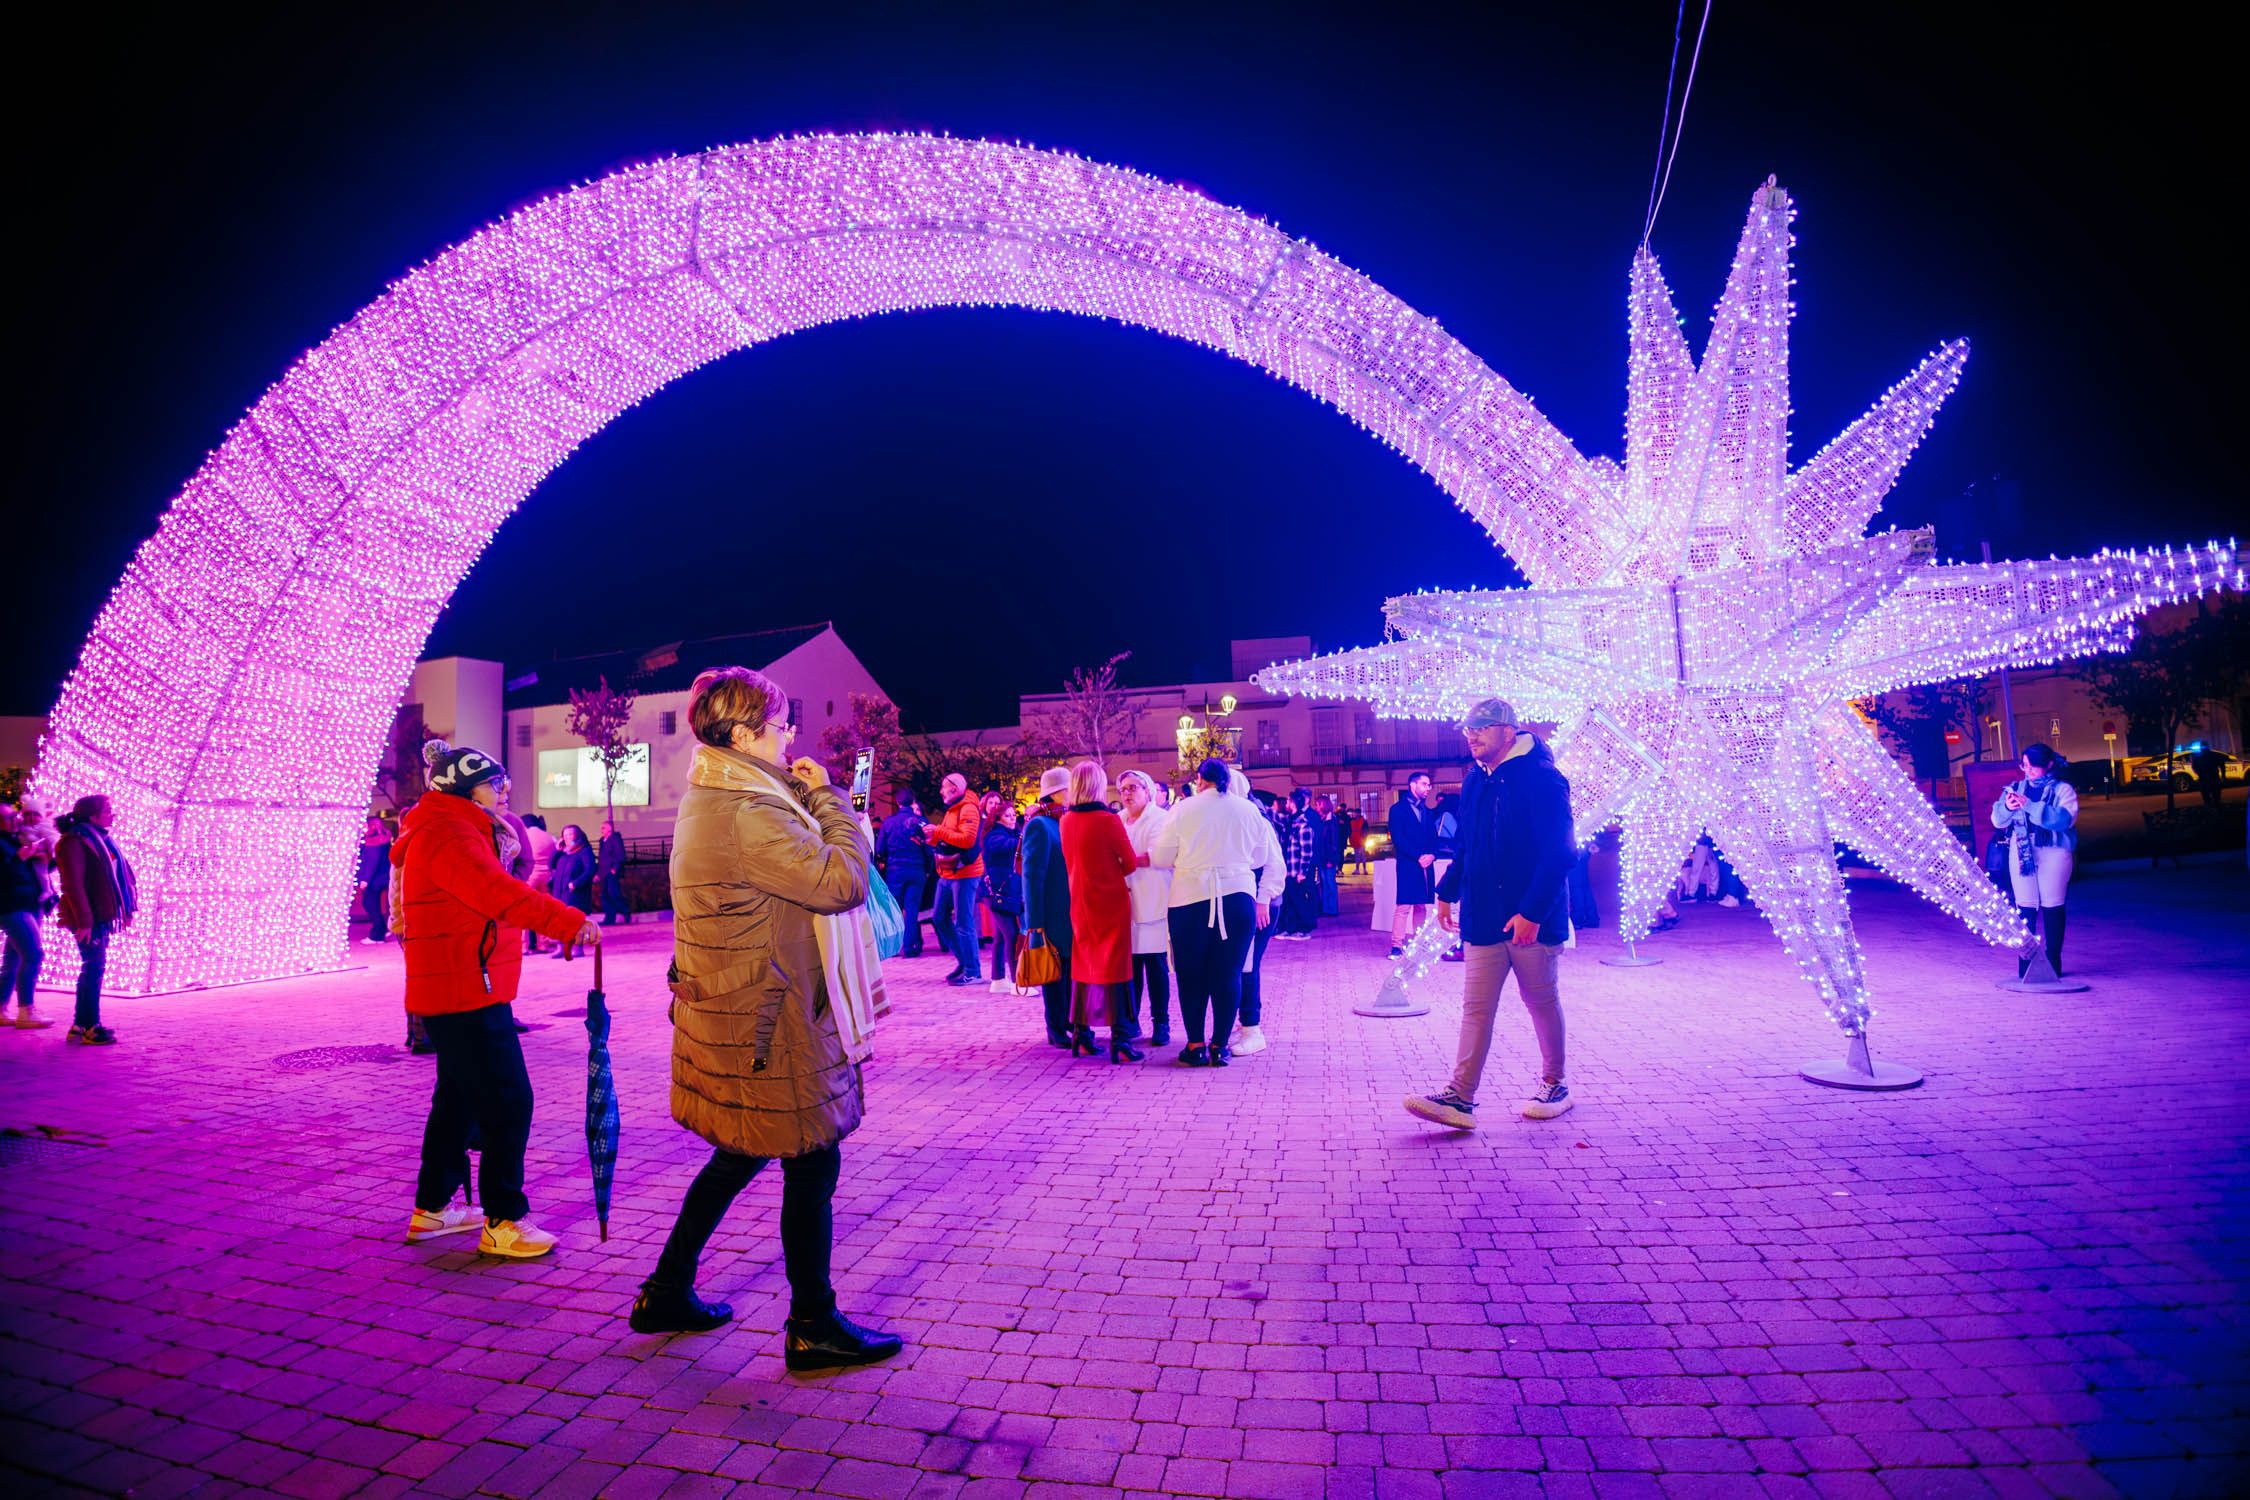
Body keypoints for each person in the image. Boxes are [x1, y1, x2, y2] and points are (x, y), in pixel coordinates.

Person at [631, 666, 901, 1372]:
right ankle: (812, 1324)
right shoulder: (753, 809)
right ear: (747, 734)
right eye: (782, 726)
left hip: (741, 1010)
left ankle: (665, 1291)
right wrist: (828, 796)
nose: (790, 739)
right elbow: (841, 882)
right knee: (811, 1158)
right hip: (768, 1022)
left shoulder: (717, 791)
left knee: (743, 1151)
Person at [394, 739, 596, 1258]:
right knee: (508, 1100)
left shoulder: (460, 826)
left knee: (457, 1102)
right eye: (494, 784)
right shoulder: (448, 832)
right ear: (464, 788)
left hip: (465, 985)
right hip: (463, 991)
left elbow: (513, 871)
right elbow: (500, 893)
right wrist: (569, 922)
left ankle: (433, 1209)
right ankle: (504, 1220)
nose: (505, 792)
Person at [1406, 699, 1576, 1129]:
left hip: (1528, 919)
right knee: (1476, 1008)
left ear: (1508, 731)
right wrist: (1446, 891)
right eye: (1468, 728)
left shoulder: (1542, 778)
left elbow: (1559, 853)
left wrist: (1533, 912)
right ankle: (1460, 1097)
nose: (1472, 734)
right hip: (1482, 915)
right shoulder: (1475, 782)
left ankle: (1555, 1084)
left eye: (1482, 727)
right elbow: (1466, 845)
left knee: (1540, 1000)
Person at [1151, 759, 1275, 1066]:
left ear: (1200, 779)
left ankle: (1195, 1045)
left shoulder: (1183, 808)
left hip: (1190, 898)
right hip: (1238, 897)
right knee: (1229, 973)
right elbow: (1259, 856)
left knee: (1191, 974)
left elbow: (1162, 856)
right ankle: (1219, 1046)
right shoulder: (1248, 810)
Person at [1059, 761, 1141, 1062]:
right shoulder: (1107, 820)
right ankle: (1120, 1040)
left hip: (1080, 902)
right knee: (1117, 967)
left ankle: (1081, 1035)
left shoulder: (1066, 821)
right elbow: (1129, 863)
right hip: (1110, 902)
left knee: (1084, 966)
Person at [55, 795, 138, 1046]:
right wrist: (85, 921)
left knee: (93, 967)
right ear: (92, 816)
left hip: (101, 914)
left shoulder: (102, 841)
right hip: (88, 916)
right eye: (108, 811)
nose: (113, 815)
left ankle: (81, 1025)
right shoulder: (74, 842)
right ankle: (91, 1026)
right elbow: (73, 884)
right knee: (93, 967)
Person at [1992, 743, 2078, 977]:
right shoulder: (2015, 788)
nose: (2027, 770)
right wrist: (2007, 807)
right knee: (2025, 906)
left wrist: (2029, 805)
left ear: (2048, 764)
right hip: (2021, 851)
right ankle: (2026, 964)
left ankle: (2052, 962)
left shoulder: (2063, 790)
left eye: (2032, 766)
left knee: (2052, 904)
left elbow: (2063, 821)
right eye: (2024, 765)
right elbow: (1998, 820)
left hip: (2053, 850)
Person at [1231, 770, 1289, 1057]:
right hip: (1244, 902)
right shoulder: (1232, 819)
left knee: (1247, 964)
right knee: (1239, 963)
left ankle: (1252, 1026)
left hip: (1259, 904)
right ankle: (1244, 1022)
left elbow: (1275, 865)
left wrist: (1262, 900)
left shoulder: (1255, 819)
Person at [1117, 771, 1174, 1046]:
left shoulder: (1160, 819)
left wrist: (1121, 861)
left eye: (1133, 788)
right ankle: (1131, 1022)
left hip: (1152, 901)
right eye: (1123, 789)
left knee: (1155, 967)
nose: (1127, 794)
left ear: (1147, 791)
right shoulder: (1117, 820)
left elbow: (1155, 856)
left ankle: (1161, 1023)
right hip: (1124, 903)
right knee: (1130, 969)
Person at [1020, 766, 1075, 1047]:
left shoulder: (1063, 821)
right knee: (1053, 973)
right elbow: (1032, 877)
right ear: (1058, 793)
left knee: (1067, 971)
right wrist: (1035, 924)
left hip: (1068, 914)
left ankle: (1066, 1022)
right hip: (1050, 916)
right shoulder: (1040, 825)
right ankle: (1054, 1028)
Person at [924, 773, 986, 987]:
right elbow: (950, 837)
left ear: (955, 788)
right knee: (939, 916)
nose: (941, 791)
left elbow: (967, 840)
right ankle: (964, 962)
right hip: (948, 872)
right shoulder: (953, 809)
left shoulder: (968, 808)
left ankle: (973, 971)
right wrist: (932, 836)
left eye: (943, 787)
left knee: (963, 922)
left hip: (965, 873)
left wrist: (939, 831)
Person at [1, 806, 55, 1029]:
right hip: (12, 906)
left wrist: (47, 859)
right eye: (10, 817)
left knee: (13, 960)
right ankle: (27, 1010)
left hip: (31, 903)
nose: (17, 819)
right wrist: (18, 858)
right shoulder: (5, 844)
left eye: (16, 815)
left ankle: (2, 1008)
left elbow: (36, 869)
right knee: (33, 954)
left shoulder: (17, 838)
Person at [1387, 772, 1439, 957]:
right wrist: (1418, 856)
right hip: (1408, 864)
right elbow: (1398, 838)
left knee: (1421, 905)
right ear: (1412, 785)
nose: (1428, 788)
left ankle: (1418, 943)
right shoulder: (1397, 810)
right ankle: (1396, 945)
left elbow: (1434, 838)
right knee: (1404, 906)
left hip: (1426, 864)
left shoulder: (1428, 811)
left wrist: (1432, 855)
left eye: (1429, 785)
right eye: (1424, 784)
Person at [874, 791, 930, 958]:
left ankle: (894, 947)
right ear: (912, 801)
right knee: (912, 910)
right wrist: (928, 869)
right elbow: (928, 849)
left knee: (895, 910)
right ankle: (909, 947)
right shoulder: (922, 823)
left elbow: (880, 849)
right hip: (917, 869)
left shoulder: (889, 823)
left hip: (895, 870)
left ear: (897, 803)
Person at [982, 796, 1027, 994]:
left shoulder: (1013, 833)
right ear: (998, 818)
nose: (1011, 818)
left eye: (1013, 815)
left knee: (1001, 937)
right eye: (1007, 815)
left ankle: (998, 979)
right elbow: (1009, 846)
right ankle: (1019, 982)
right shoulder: (995, 836)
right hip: (997, 894)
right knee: (1012, 934)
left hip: (1006, 892)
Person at [1277, 789, 1321, 938]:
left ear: (1294, 803)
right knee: (1289, 900)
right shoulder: (1291, 820)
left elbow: (1307, 851)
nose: (1286, 803)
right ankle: (1290, 928)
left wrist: (1302, 872)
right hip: (1288, 869)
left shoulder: (1303, 824)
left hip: (1297, 870)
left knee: (1299, 900)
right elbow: (1275, 817)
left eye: (1289, 801)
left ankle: (1304, 929)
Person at [551, 824, 596, 945]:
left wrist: (576, 883)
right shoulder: (563, 852)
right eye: (565, 835)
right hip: (559, 893)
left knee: (574, 920)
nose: (567, 837)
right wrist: (557, 850)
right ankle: (561, 947)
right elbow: (551, 865)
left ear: (577, 835)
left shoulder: (584, 850)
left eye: (570, 834)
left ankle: (577, 947)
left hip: (575, 893)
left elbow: (590, 869)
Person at [353, 814, 394, 942]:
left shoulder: (373, 842)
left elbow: (371, 862)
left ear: (372, 826)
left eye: (365, 825)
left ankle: (377, 935)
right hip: (383, 876)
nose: (363, 828)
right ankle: (382, 930)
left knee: (370, 904)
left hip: (374, 879)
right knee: (374, 905)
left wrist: (365, 879)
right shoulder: (384, 839)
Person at [521, 814, 557, 954]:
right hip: (546, 877)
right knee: (542, 911)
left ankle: (523, 946)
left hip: (530, 876)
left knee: (524, 911)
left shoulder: (525, 835)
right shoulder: (549, 836)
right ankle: (543, 943)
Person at [596, 819, 629, 926]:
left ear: (609, 829)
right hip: (603, 873)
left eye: (603, 827)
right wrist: (598, 873)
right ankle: (609, 918)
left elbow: (620, 855)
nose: (601, 830)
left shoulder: (615, 839)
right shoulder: (602, 841)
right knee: (605, 896)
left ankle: (625, 912)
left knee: (614, 894)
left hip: (611, 873)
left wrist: (614, 869)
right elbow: (601, 859)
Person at [2190, 744, 2226, 810]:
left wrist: (2199, 773)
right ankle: (2216, 807)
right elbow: (2222, 764)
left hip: (2206, 778)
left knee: (2208, 796)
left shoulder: (2198, 756)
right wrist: (2223, 775)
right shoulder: (2214, 755)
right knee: (2214, 795)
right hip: (2213, 777)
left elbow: (2194, 767)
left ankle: (2211, 807)